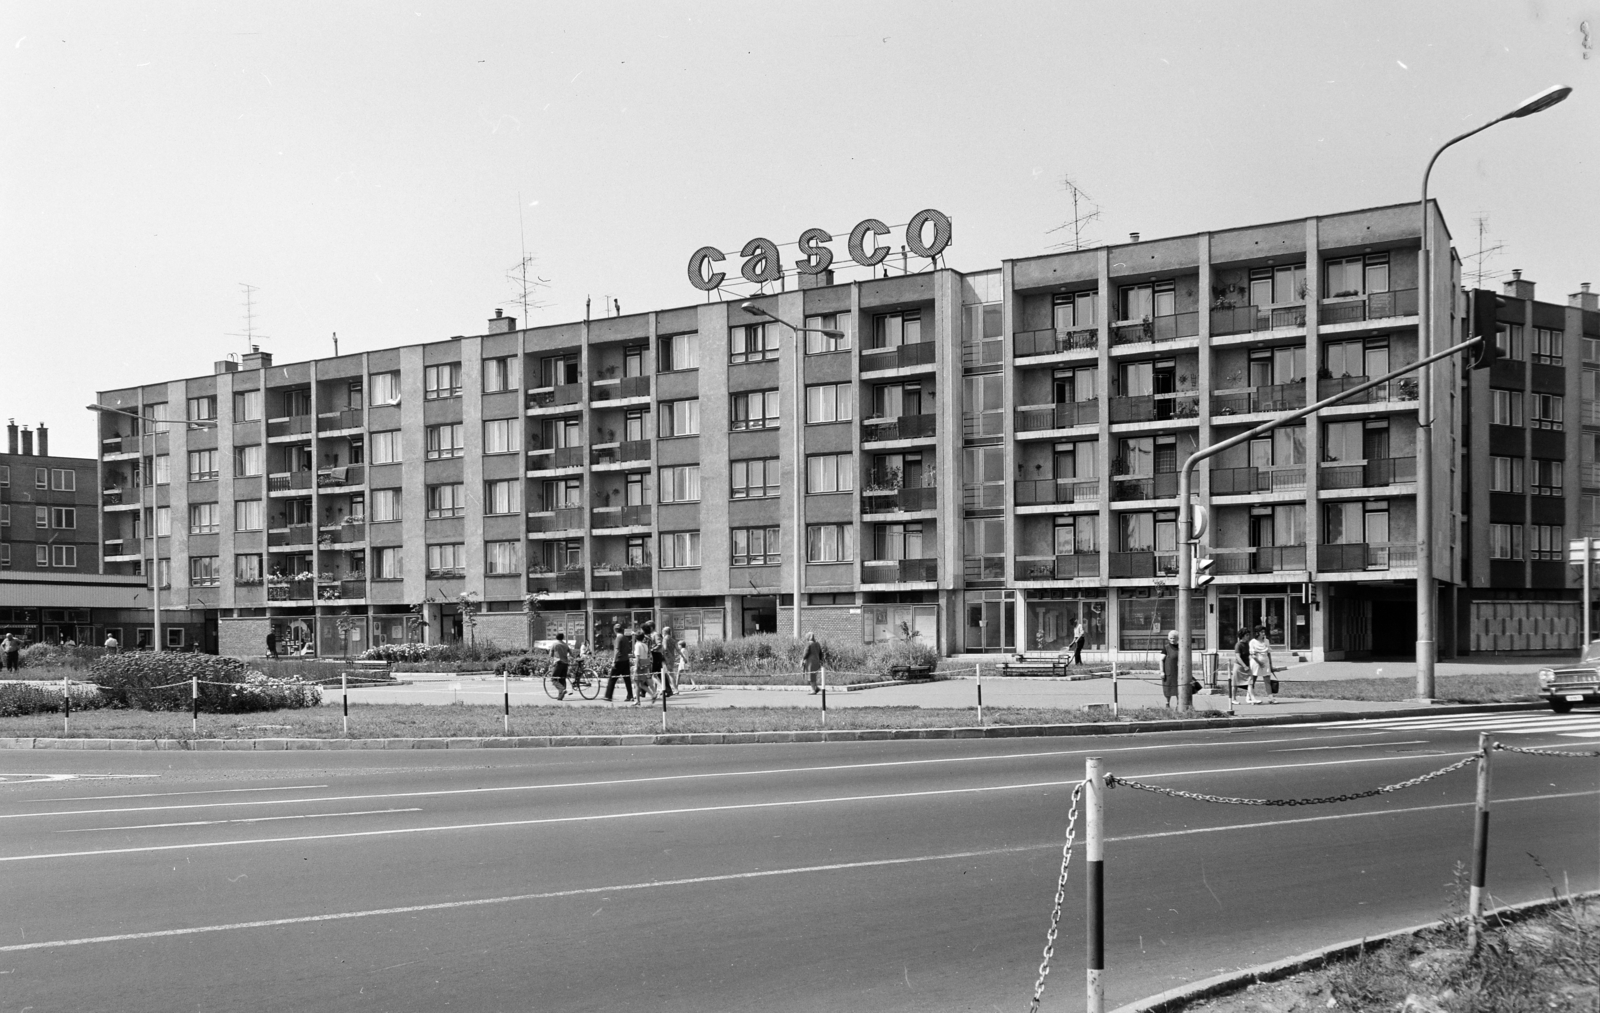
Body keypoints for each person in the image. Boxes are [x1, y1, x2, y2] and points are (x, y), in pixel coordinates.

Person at [604, 624, 635, 703]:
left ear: (615, 630)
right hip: (626, 660)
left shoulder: (618, 638)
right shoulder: (625, 638)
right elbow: (628, 649)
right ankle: (630, 695)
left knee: (612, 678)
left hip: (619, 660)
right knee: (627, 679)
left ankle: (608, 696)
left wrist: (614, 661)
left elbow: (617, 650)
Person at [1248, 626, 1275, 704]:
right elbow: (1252, 654)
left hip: (1265, 662)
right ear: (1257, 633)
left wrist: (1270, 664)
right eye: (1261, 632)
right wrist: (1259, 662)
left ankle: (1270, 698)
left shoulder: (1266, 641)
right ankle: (1250, 697)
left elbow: (1269, 653)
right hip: (1256, 663)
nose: (1263, 633)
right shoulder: (1252, 642)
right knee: (1253, 680)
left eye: (1264, 632)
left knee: (1267, 680)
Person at [633, 622, 654, 704]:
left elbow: (638, 657)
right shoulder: (645, 644)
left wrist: (636, 666)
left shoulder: (638, 644)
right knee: (641, 683)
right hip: (646, 663)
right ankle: (651, 694)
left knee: (638, 683)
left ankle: (639, 700)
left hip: (640, 665)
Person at [549, 632, 573, 700]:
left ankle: (562, 689)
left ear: (556, 637)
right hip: (565, 664)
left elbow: (551, 654)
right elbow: (571, 653)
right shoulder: (565, 644)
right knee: (562, 679)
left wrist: (551, 661)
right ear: (563, 638)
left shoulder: (554, 644)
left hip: (558, 663)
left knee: (553, 678)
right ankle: (560, 696)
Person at [1161, 630, 1180, 708]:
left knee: (1179, 688)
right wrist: (1162, 671)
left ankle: (1179, 704)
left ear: (1177, 638)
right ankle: (1167, 703)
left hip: (1178, 672)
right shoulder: (1166, 648)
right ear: (1168, 638)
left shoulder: (1180, 647)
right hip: (1169, 671)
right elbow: (1161, 660)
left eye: (1174, 638)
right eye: (1171, 638)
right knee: (1168, 688)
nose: (1172, 640)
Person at [659, 626, 681, 695]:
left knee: (668, 674)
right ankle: (667, 688)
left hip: (666, 658)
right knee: (669, 673)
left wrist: (663, 654)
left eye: (663, 631)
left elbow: (665, 648)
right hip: (672, 657)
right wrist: (683, 656)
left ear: (665, 632)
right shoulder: (672, 639)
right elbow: (677, 649)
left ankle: (674, 689)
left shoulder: (665, 639)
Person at [1235, 628, 1254, 703]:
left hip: (1247, 666)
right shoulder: (1238, 645)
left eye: (1249, 635)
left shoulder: (1247, 644)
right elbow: (1238, 657)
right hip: (1239, 666)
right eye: (1247, 635)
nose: (1248, 636)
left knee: (1250, 681)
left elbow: (1248, 655)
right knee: (1235, 684)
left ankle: (1251, 698)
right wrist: (1244, 666)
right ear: (1242, 636)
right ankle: (1233, 699)